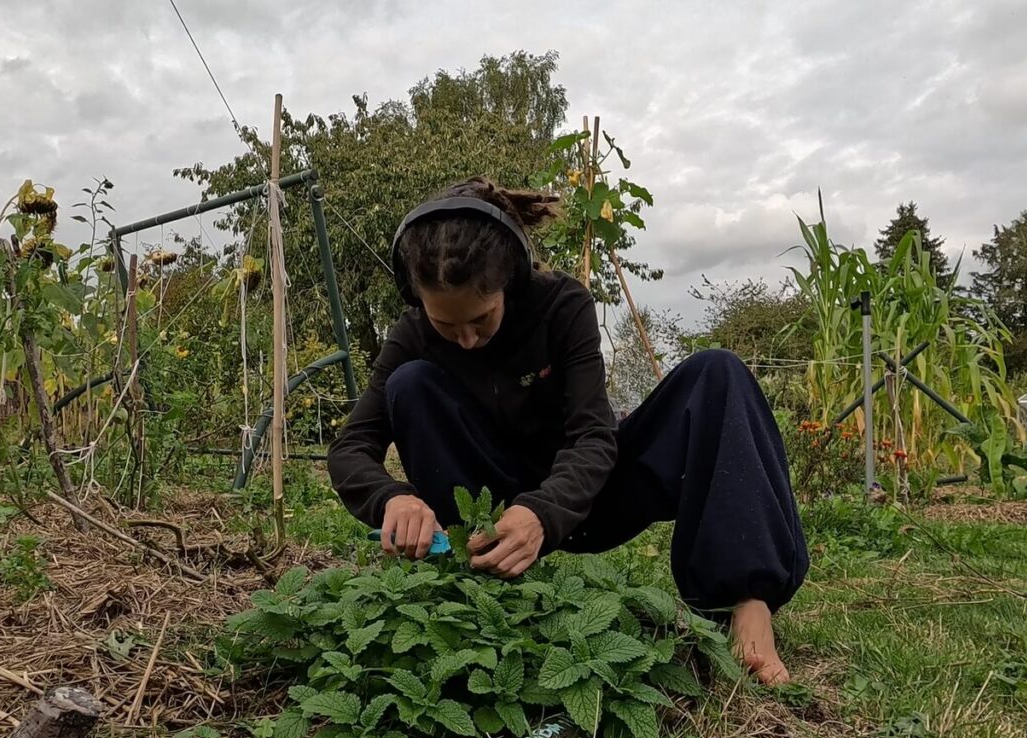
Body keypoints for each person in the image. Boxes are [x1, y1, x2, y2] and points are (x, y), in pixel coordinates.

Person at [326, 177, 808, 684]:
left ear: (508, 280)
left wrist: (542, 511)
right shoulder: (411, 334)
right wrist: (393, 499)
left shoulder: (562, 305)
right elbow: (351, 447)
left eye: (481, 318)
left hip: (587, 496)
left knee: (718, 373)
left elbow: (593, 437)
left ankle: (746, 601)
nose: (466, 340)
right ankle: (468, 584)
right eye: (448, 326)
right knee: (410, 383)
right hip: (489, 505)